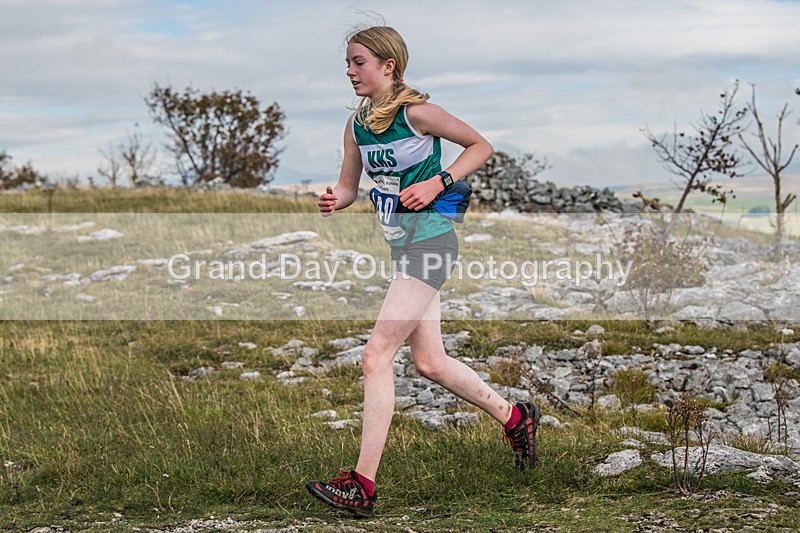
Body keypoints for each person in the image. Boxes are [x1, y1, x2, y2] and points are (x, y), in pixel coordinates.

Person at [306, 25, 541, 517]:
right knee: (431, 363)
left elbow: (481, 146)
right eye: (347, 63)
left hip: (432, 240)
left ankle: (362, 485)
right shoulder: (356, 126)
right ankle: (515, 416)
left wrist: (439, 181)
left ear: (388, 67)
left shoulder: (419, 114)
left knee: (376, 355)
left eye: (358, 62)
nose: (349, 72)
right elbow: (351, 185)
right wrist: (336, 199)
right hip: (401, 245)